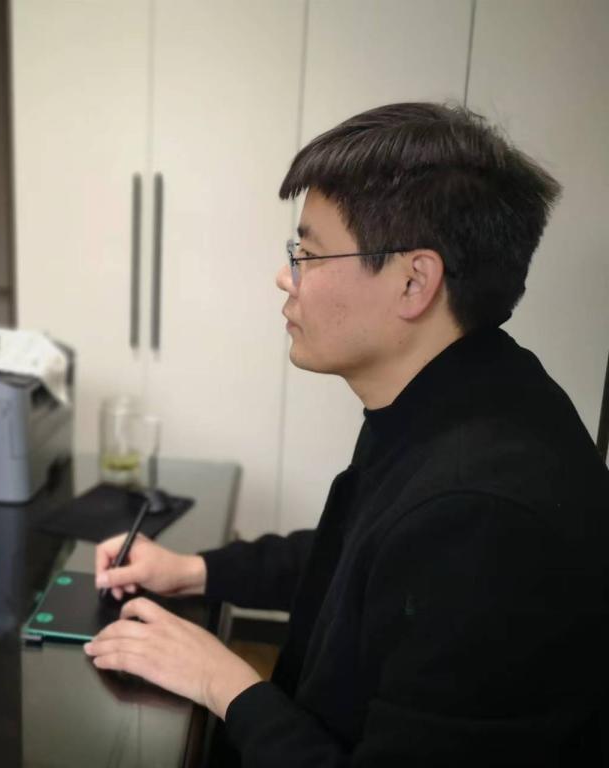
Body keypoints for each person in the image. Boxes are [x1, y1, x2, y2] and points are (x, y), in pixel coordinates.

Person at [84, 102, 609, 765]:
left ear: (414, 282)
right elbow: (361, 557)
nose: (286, 275)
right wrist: (194, 571)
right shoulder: (469, 391)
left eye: (307, 252)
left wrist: (223, 680)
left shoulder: (483, 516)